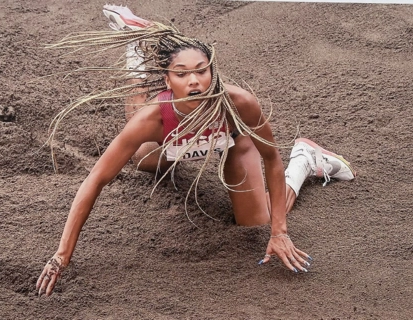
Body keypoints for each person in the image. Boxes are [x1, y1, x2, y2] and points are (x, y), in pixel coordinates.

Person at [36, 5, 356, 296]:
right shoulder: (151, 119)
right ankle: (136, 47)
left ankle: (304, 160)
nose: (194, 81)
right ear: (168, 80)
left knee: (258, 224)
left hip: (230, 142)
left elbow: (271, 159)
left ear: (212, 71)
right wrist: (61, 255)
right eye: (182, 74)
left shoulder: (239, 102)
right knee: (142, 160)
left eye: (201, 71)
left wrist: (280, 231)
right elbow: (95, 180)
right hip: (173, 139)